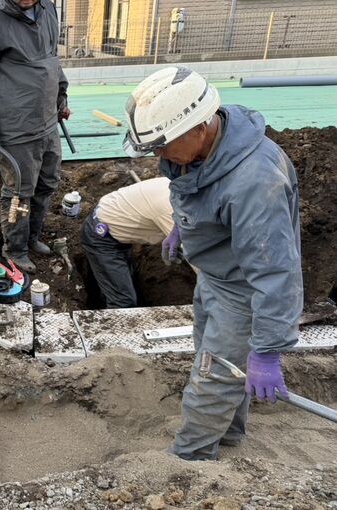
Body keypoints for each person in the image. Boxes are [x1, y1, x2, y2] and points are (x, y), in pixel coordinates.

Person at [123, 66, 303, 460]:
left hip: (242, 293)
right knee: (213, 362)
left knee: (213, 377)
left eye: (162, 145)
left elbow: (276, 273)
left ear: (199, 127)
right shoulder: (202, 151)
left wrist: (267, 349)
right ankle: (229, 435)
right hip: (215, 277)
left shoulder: (255, 182)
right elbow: (197, 190)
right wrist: (183, 227)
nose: (157, 155)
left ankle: (190, 458)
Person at [0, 0, 70, 274]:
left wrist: (61, 95)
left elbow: (52, 59)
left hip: (47, 122)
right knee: (19, 193)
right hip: (16, 130)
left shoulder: (48, 9)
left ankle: (32, 237)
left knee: (47, 183)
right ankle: (15, 249)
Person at [80, 177, 175, 308]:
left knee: (116, 282)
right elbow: (193, 253)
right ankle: (104, 312)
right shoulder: (168, 208)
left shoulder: (173, 183)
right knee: (123, 302)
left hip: (115, 221)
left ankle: (101, 301)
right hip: (101, 237)